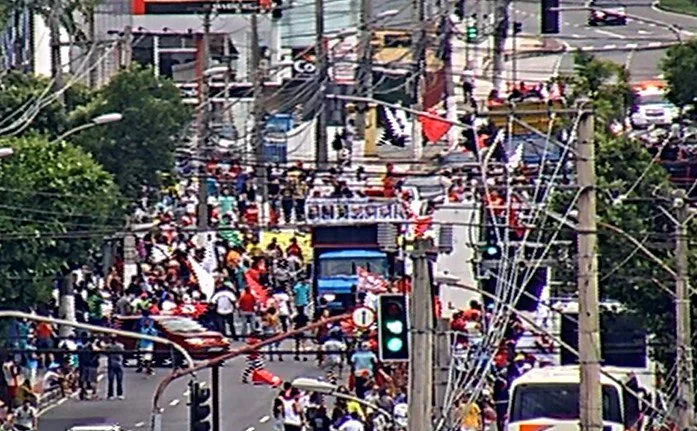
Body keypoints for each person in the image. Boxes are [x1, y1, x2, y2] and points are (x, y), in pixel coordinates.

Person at [106, 334, 125, 400]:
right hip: (116, 364)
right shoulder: (120, 346)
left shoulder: (108, 346)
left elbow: (106, 353)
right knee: (117, 380)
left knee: (112, 380)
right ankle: (118, 394)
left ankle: (111, 394)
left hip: (113, 364)